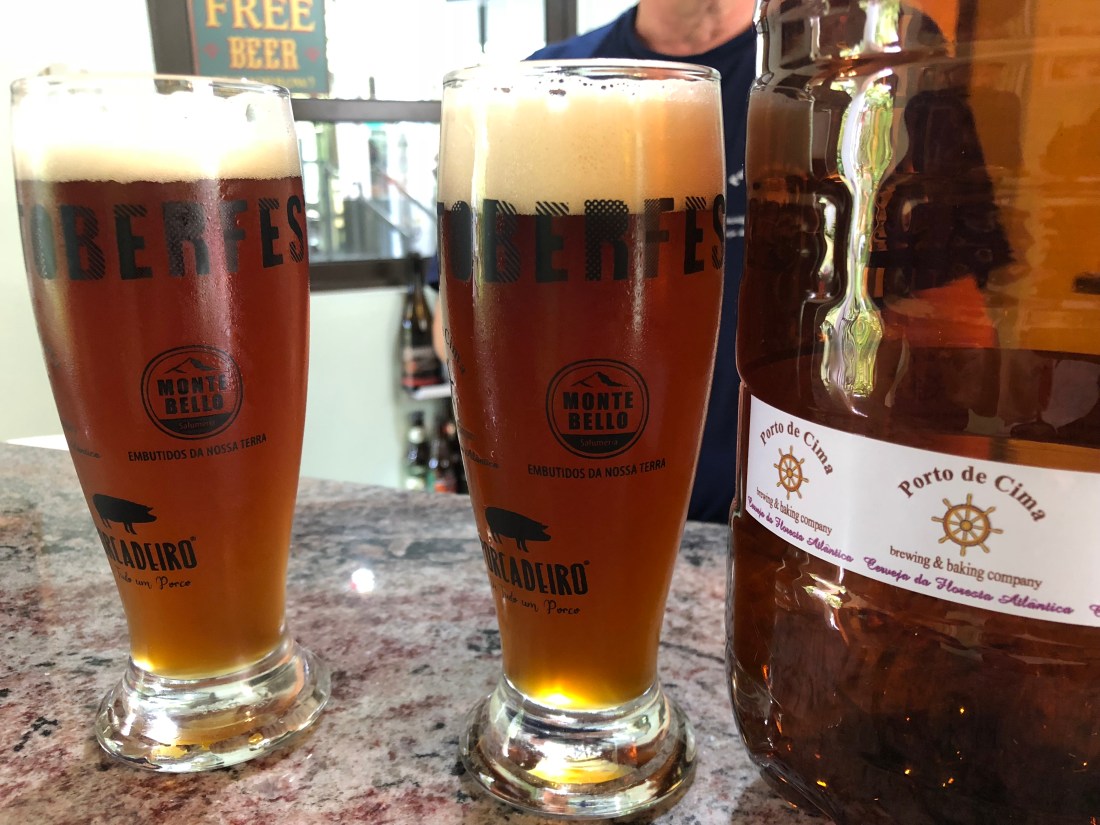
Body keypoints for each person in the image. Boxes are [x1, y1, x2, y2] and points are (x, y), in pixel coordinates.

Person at [435, 0, 756, 523]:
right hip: (557, 511)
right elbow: (456, 325)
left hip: (797, 514)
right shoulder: (533, 87)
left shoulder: (820, 84)